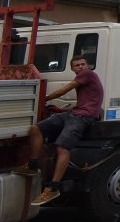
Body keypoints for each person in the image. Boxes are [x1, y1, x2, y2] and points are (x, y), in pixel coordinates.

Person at [13, 56, 104, 205]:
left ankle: (53, 188)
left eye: (83, 64)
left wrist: (45, 98)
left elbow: (64, 90)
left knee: (63, 148)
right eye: (77, 65)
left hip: (83, 117)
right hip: (73, 113)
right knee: (35, 129)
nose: (81, 67)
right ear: (72, 69)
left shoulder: (88, 74)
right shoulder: (84, 77)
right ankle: (33, 165)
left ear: (88, 66)